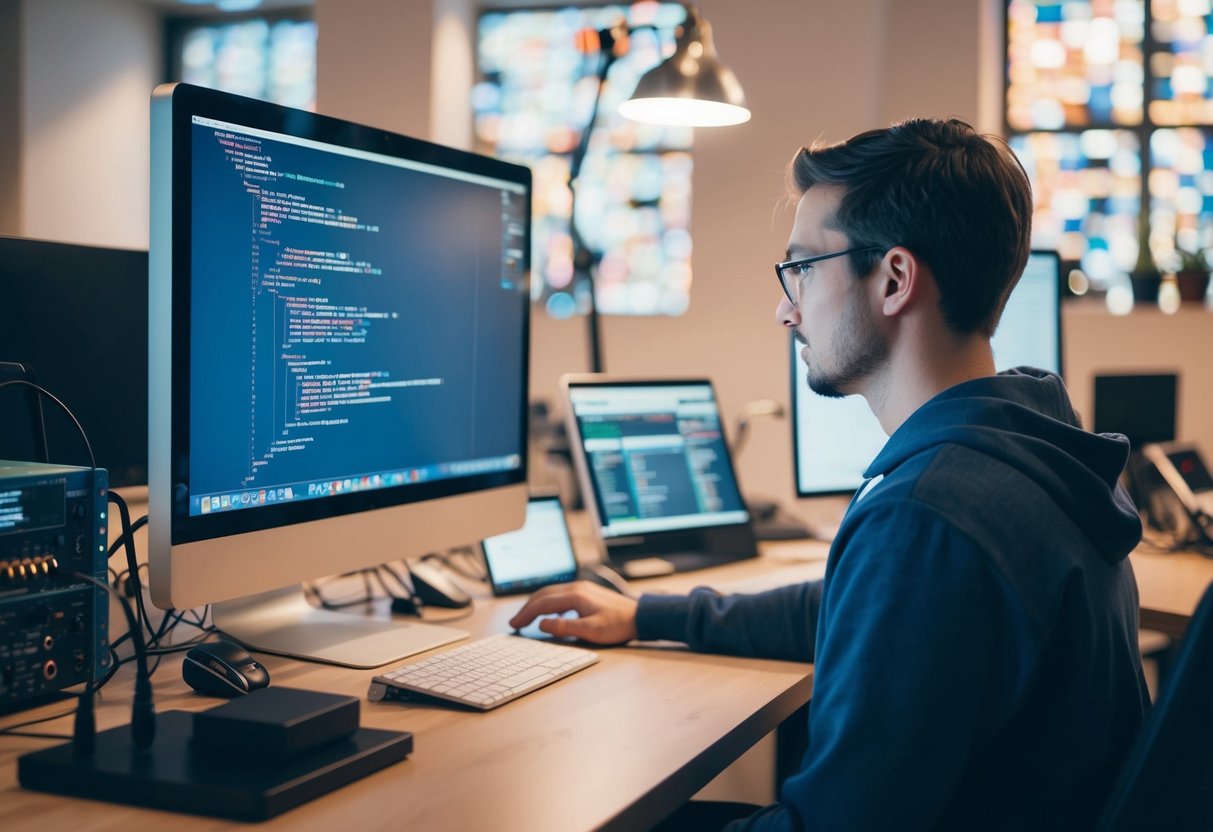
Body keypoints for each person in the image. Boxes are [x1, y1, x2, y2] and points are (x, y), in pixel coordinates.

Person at [510, 118, 1149, 831]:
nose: (786, 310)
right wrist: (648, 614)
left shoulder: (929, 516)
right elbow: (864, 608)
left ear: (894, 279)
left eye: (802, 269)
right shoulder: (1023, 456)